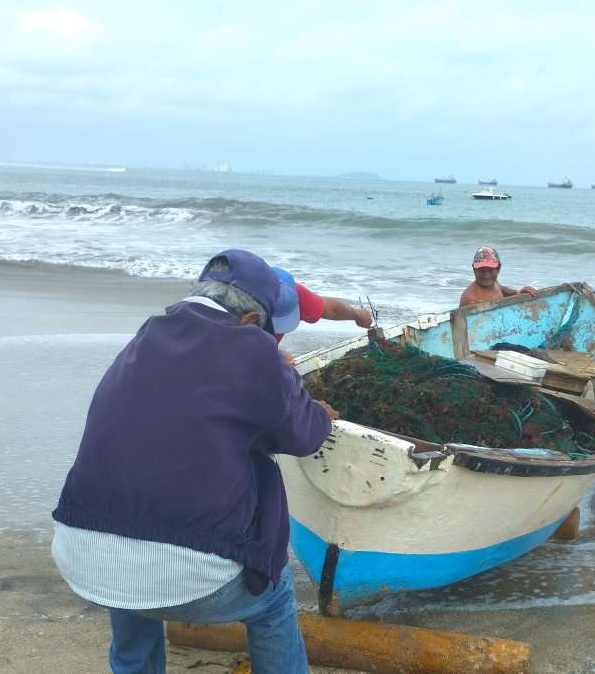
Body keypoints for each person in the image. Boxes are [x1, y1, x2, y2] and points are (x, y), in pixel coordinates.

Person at [50, 249, 337, 674]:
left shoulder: (148, 334)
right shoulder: (253, 347)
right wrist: (312, 402)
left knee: (129, 543)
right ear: (249, 321)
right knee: (274, 600)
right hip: (192, 577)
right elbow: (304, 434)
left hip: (83, 554)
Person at [270, 266, 374, 364]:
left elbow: (331, 309)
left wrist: (357, 314)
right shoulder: (254, 301)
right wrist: (275, 354)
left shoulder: (288, 292)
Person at [458, 245, 537, 307]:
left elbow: (502, 290)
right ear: (474, 269)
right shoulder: (471, 299)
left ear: (498, 268)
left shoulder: (494, 283)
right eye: (482, 270)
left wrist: (518, 292)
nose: (486, 276)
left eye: (490, 270)